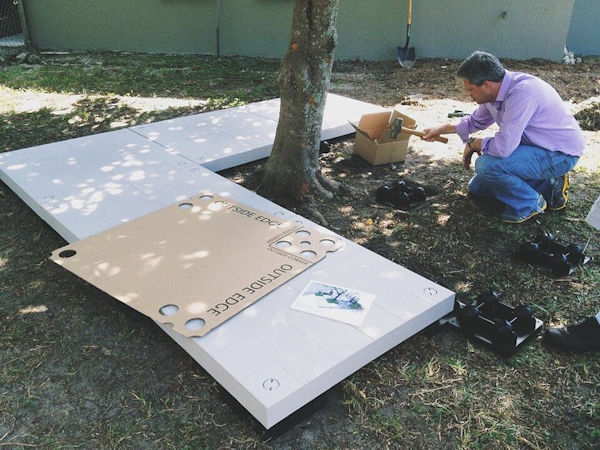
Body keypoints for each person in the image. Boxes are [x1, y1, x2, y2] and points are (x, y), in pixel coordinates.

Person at [423, 51, 585, 223]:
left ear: (486, 85)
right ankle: (548, 183)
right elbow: (473, 122)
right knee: (477, 188)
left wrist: (475, 144)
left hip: (558, 154)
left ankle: (529, 204)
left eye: (470, 89)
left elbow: (503, 148)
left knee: (486, 166)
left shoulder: (523, 94)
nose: (467, 94)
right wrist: (439, 129)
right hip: (534, 147)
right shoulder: (494, 93)